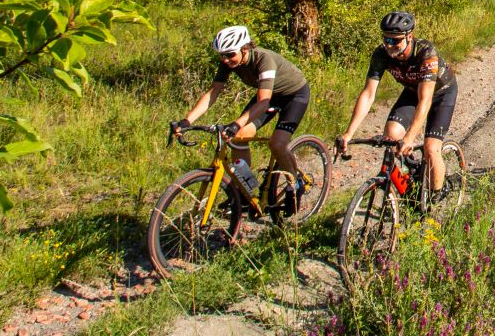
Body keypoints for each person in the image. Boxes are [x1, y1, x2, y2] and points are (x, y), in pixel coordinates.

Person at [175, 25, 311, 211]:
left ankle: (295, 183)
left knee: (277, 144)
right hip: (269, 96)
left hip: (294, 95)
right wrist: (187, 121)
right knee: (238, 137)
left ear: (245, 48)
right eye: (221, 55)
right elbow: (213, 92)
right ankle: (247, 190)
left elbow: (263, 102)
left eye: (230, 54)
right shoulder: (229, 62)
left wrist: (235, 123)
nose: (225, 59)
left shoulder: (264, 60)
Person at [336, 11, 457, 194]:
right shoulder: (381, 54)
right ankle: (413, 171)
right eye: (386, 39)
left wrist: (409, 137)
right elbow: (368, 94)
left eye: (395, 40)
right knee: (391, 135)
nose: (389, 45)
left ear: (409, 37)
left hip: (441, 94)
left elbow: (425, 100)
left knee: (431, 148)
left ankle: (437, 194)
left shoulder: (426, 53)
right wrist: (349, 133)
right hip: (411, 91)